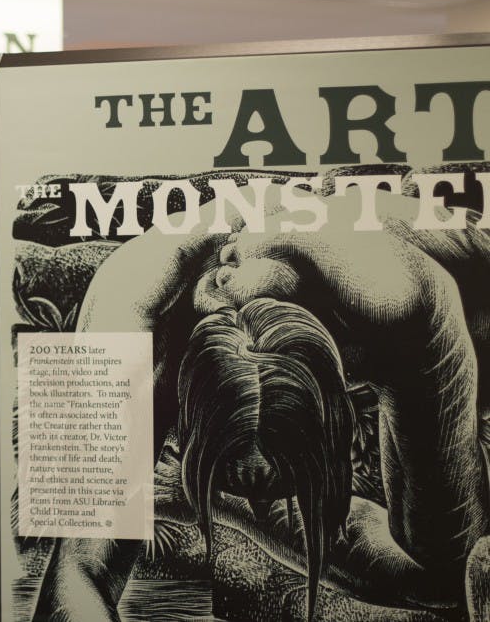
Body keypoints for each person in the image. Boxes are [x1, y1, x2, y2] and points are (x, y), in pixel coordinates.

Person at [31, 186, 490, 621]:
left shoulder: (402, 304)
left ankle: (187, 491)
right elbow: (74, 572)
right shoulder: (125, 304)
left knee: (442, 575)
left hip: (464, 313)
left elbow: (449, 564)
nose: (256, 492)